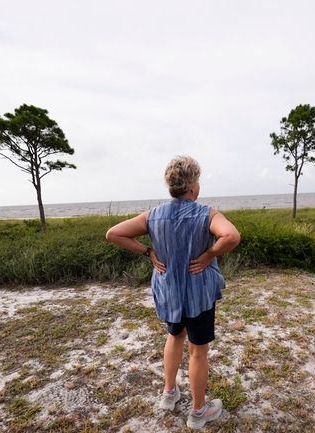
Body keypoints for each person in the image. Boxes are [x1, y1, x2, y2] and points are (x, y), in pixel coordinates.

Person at [105, 155, 240, 429]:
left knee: (174, 335)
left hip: (169, 292)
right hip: (198, 294)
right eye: (198, 181)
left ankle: (169, 393)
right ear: (193, 187)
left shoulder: (153, 215)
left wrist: (147, 251)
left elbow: (114, 233)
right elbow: (232, 236)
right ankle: (199, 412)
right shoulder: (207, 214)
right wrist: (209, 254)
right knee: (198, 351)